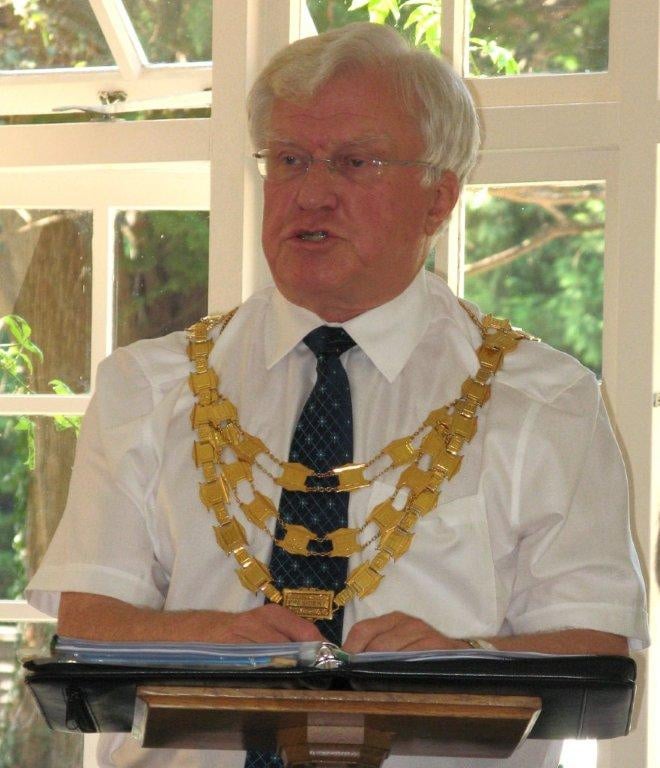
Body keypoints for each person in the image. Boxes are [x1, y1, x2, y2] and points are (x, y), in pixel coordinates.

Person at [26, 22, 648, 768]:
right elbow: (88, 621)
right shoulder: (148, 388)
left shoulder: (545, 402)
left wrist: (461, 661)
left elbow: (594, 646)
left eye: (354, 162)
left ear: (439, 199)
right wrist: (215, 634)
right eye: (289, 160)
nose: (311, 193)